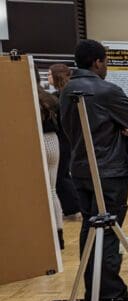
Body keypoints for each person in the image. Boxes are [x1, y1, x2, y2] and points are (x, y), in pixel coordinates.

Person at [60, 39, 128, 301]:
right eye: (105, 61)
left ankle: (93, 292)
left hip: (81, 171)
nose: (106, 66)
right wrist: (123, 132)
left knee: (90, 228)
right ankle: (111, 297)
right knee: (108, 231)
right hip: (108, 172)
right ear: (97, 62)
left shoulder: (67, 89)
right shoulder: (107, 91)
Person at [48, 63, 80, 218]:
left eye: (49, 74)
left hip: (63, 140)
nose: (47, 77)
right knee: (63, 174)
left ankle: (73, 208)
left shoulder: (59, 97)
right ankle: (73, 207)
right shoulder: (67, 94)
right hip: (67, 139)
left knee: (61, 176)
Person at [37, 87, 64, 250]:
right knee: (52, 190)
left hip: (37, 141)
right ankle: (59, 235)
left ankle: (43, 236)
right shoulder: (49, 98)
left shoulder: (23, 97)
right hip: (53, 141)